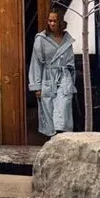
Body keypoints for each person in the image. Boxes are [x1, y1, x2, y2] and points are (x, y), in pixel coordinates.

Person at [28, 10, 76, 138]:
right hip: (48, 77)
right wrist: (36, 86)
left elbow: (71, 61)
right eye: (50, 21)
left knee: (64, 107)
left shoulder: (67, 39)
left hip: (64, 77)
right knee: (49, 109)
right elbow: (36, 63)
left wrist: (71, 80)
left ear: (60, 22)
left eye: (55, 21)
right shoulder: (41, 39)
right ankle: (53, 141)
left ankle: (63, 137)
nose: (52, 23)